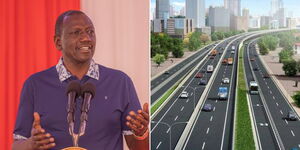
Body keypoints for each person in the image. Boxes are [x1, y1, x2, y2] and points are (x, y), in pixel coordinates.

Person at [12, 10, 149, 150]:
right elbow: (17, 145)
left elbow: (139, 147)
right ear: (58, 42)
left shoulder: (120, 82)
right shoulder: (35, 84)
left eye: (90, 32)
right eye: (76, 32)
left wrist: (141, 133)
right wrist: (31, 144)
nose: (86, 38)